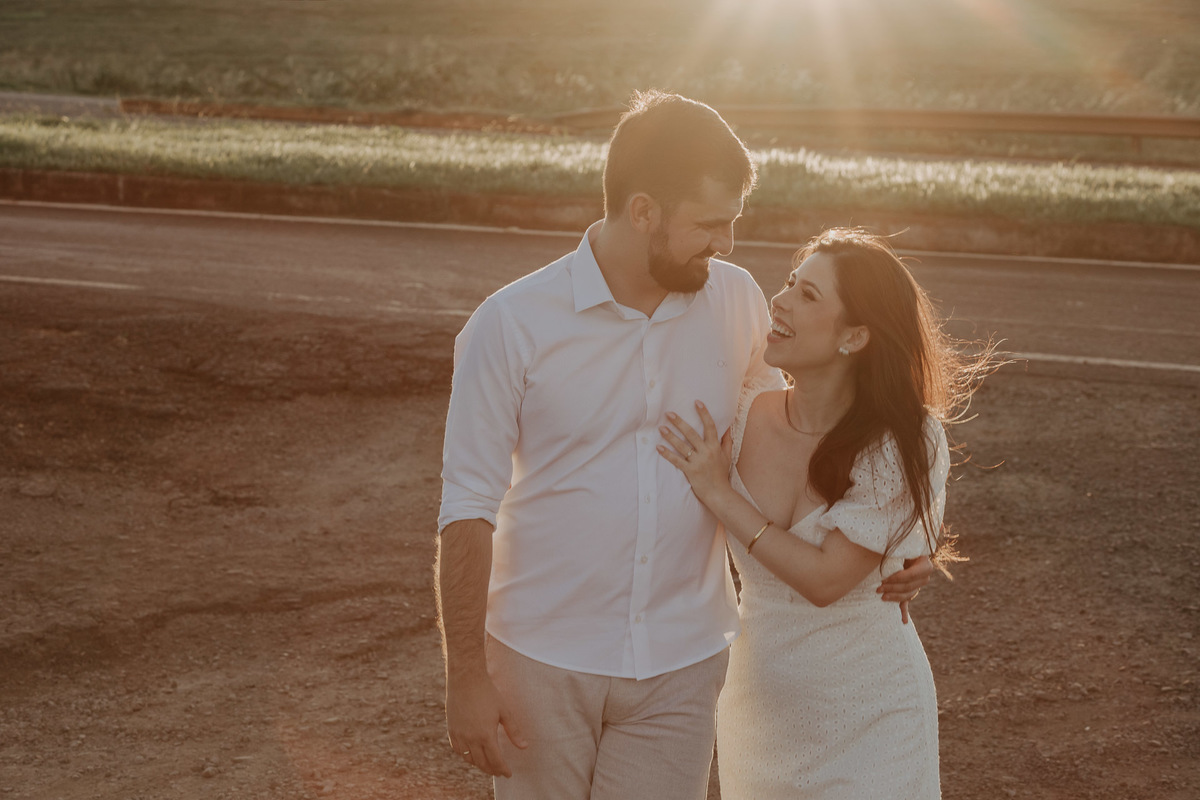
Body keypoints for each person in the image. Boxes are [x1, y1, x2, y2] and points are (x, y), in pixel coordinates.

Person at [436, 93, 933, 800]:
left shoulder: (734, 301)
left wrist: (903, 533)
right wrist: (465, 677)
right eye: (709, 224)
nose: (726, 244)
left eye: (732, 223)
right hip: (542, 657)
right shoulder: (508, 326)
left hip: (682, 660)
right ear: (643, 212)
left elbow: (796, 430)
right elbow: (467, 509)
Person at [659, 227, 994, 799]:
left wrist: (721, 495)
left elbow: (825, 580)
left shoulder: (906, 439)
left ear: (856, 335)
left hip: (872, 715)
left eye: (809, 295)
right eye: (791, 283)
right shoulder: (738, 415)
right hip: (759, 708)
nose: (780, 300)